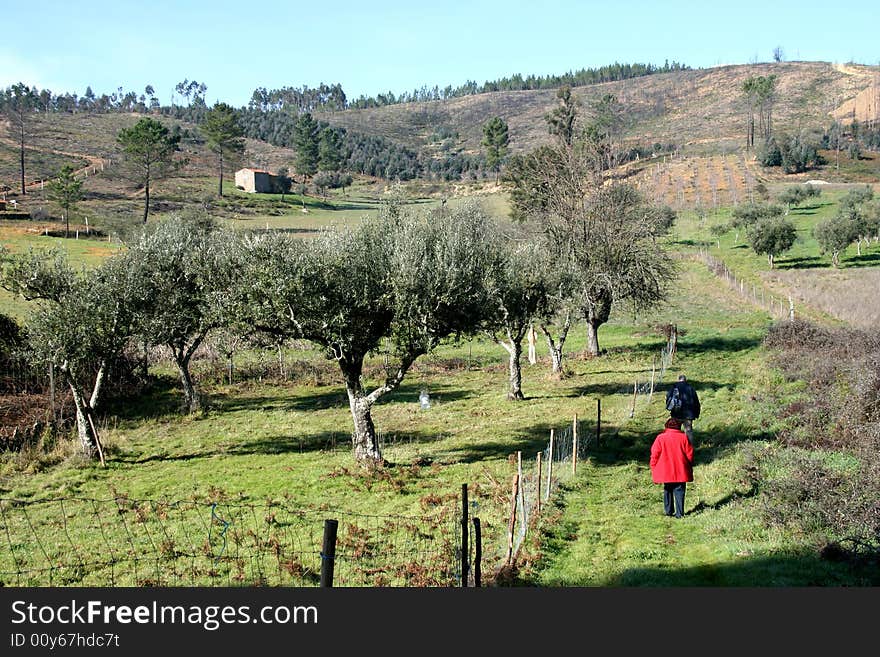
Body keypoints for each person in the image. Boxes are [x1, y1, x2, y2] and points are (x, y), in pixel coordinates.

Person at [650, 417, 694, 518]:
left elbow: (654, 454)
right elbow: (690, 454)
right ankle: (679, 513)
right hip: (681, 469)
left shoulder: (660, 438)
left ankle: (668, 511)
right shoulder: (683, 438)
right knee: (679, 490)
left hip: (665, 470)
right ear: (679, 427)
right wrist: (689, 465)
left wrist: (653, 466)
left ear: (666, 426)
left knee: (668, 489)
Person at [666, 374, 700, 445]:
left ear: (678, 380)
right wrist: (696, 414)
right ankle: (689, 448)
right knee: (688, 431)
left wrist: (670, 409)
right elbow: (696, 402)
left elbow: (668, 398)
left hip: (676, 414)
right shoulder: (690, 388)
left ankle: (675, 447)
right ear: (685, 380)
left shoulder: (674, 387)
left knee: (675, 431)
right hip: (689, 414)